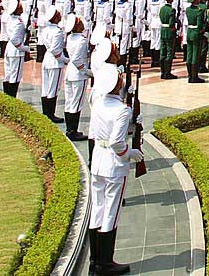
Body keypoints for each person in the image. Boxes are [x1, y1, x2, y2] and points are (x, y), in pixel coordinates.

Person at [87, 61, 141, 275]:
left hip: (98, 160)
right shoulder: (121, 110)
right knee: (111, 212)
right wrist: (130, 153)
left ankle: (95, 261)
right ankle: (106, 263)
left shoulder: (98, 102)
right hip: (113, 163)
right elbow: (117, 142)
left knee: (97, 209)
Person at [62, 14, 90, 141]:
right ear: (78, 26)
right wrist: (87, 71)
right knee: (76, 104)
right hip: (79, 74)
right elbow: (77, 60)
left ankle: (69, 129)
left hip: (70, 72)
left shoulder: (70, 38)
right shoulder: (82, 40)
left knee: (69, 102)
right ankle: (73, 131)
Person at [40, 7, 66, 122]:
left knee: (46, 88)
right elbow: (56, 51)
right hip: (55, 62)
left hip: (47, 59)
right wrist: (66, 60)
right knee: (53, 89)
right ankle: (50, 114)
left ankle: (46, 112)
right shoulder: (57, 32)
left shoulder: (46, 29)